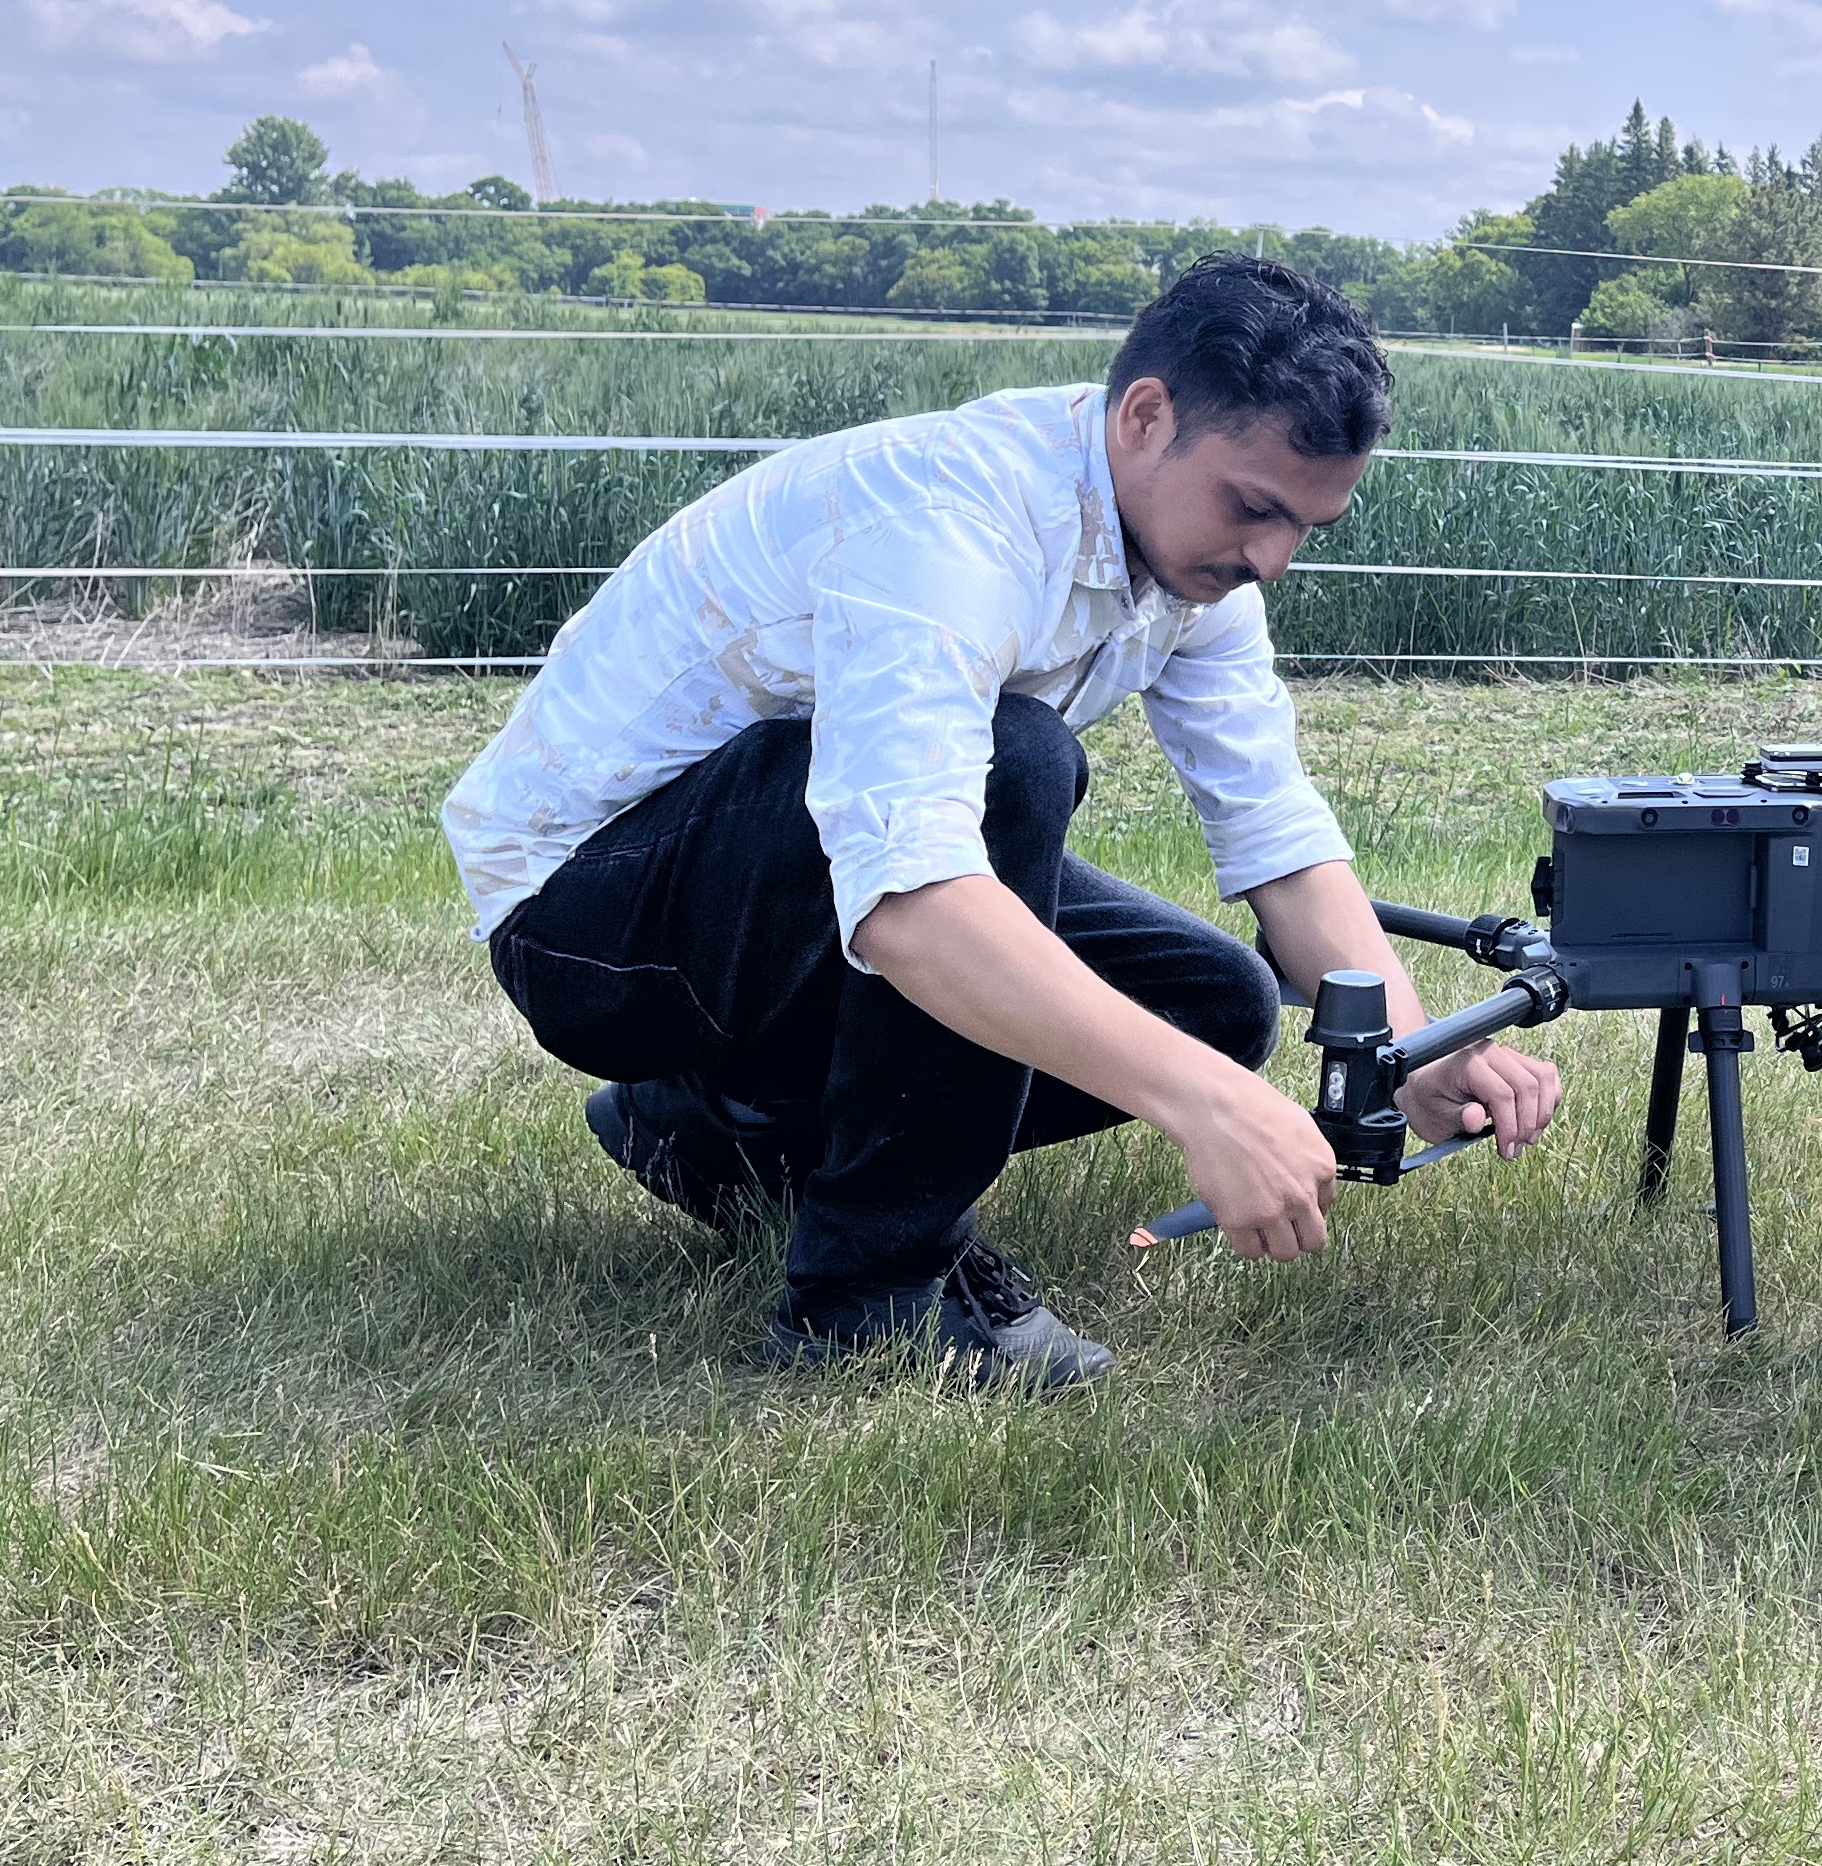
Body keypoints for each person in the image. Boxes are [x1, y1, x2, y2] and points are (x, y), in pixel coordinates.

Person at [444, 254, 1561, 1389]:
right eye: (1255, 506)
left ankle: (717, 1129)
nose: (1271, 557)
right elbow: (911, 905)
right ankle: (872, 1293)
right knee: (1017, 763)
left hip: (781, 897)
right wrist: (1202, 1104)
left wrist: (1415, 1056)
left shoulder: (1190, 571)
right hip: (590, 927)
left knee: (1209, 1002)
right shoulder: (950, 518)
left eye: (1304, 527)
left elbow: (1280, 837)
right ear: (1144, 415)